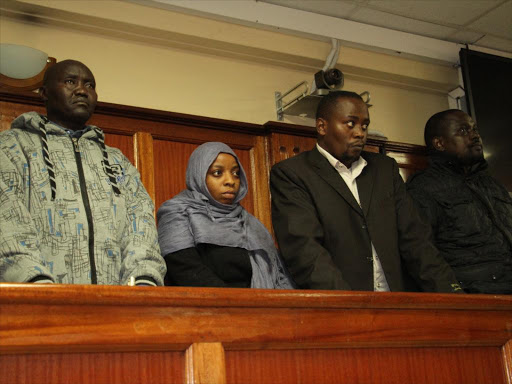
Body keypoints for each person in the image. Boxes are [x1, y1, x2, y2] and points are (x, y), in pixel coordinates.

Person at [270, 90, 462, 292]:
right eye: (350, 123)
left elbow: (416, 240)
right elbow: (305, 252)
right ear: (322, 126)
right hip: (342, 306)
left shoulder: (385, 170)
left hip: (399, 302)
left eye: (364, 125)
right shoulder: (293, 174)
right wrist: (351, 305)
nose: (360, 132)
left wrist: (453, 294)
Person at [0, 60, 166, 286]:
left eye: (90, 85)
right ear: (45, 93)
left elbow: (141, 224)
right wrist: (36, 285)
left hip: (119, 308)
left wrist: (142, 281)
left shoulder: (117, 161)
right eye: (70, 81)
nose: (81, 90)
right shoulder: (12, 148)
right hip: (34, 303)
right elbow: (7, 221)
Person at [157, 142, 294, 289]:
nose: (230, 181)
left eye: (235, 173)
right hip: (202, 306)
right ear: (198, 175)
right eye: (217, 173)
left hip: (258, 306)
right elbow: (187, 271)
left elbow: (278, 275)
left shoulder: (248, 222)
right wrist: (237, 305)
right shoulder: (176, 212)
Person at [407, 109, 512, 294]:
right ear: (439, 143)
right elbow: (421, 252)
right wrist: (454, 296)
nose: (475, 136)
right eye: (463, 131)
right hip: (476, 296)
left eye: (474, 130)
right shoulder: (423, 187)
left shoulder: (492, 184)